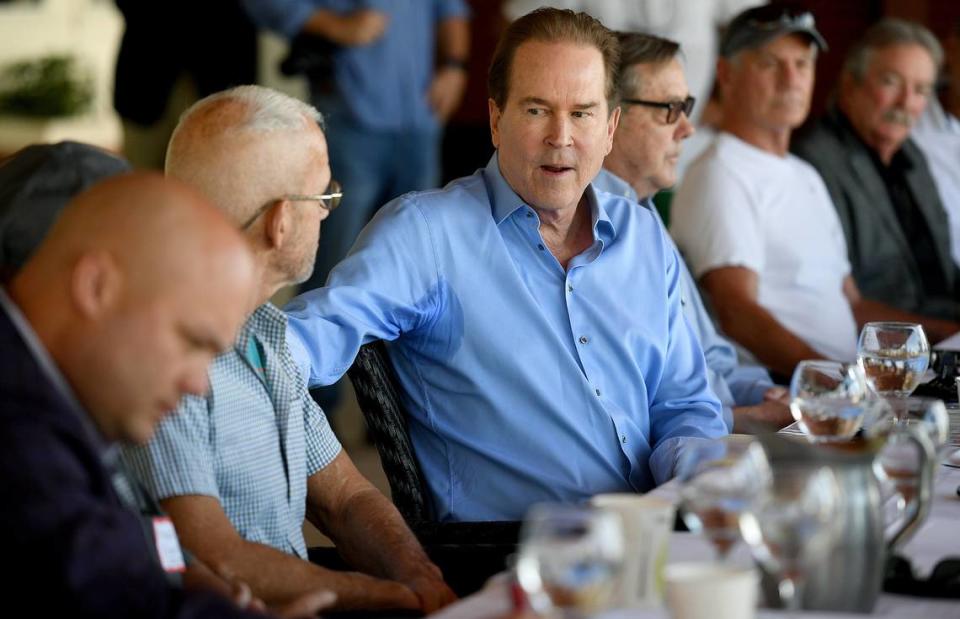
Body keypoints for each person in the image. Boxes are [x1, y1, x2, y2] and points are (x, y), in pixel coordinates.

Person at [284, 8, 728, 523]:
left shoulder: (643, 234)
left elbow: (685, 403)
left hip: (658, 539)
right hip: (515, 561)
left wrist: (695, 480)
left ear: (609, 129)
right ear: (496, 119)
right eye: (537, 110)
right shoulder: (428, 233)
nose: (560, 137)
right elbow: (304, 341)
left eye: (582, 113)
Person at [123, 85, 456, 613]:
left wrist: (422, 579)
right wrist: (390, 597)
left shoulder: (267, 336)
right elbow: (213, 556)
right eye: (326, 198)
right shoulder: (164, 359)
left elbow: (347, 498)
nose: (328, 214)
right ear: (280, 221)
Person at [0, 172, 275, 617]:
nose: (198, 384)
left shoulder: (46, 392)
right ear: (95, 287)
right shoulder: (17, 429)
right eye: (192, 341)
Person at [671, 7, 958, 379]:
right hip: (787, 392)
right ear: (726, 74)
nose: (791, 79)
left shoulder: (804, 173)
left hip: (848, 383)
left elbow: (851, 303)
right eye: (770, 64)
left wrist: (944, 333)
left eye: (802, 64)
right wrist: (838, 379)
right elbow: (737, 312)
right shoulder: (720, 171)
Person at [595, 32, 789, 431]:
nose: (688, 129)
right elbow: (633, 409)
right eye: (670, 109)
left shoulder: (645, 214)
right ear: (611, 118)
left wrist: (769, 394)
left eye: (687, 108)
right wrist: (745, 419)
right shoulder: (589, 230)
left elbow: (714, 359)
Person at [241, 0, 470, 292]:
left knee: (418, 263)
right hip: (350, 121)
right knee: (332, 266)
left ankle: (386, 339)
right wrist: (334, 25)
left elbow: (451, 9)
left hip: (420, 122)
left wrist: (455, 66)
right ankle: (319, 338)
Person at [792, 19, 960, 327]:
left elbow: (943, 269)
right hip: (884, 345)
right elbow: (842, 300)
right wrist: (947, 333)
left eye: (921, 90)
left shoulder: (912, 155)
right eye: (891, 82)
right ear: (850, 83)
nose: (906, 103)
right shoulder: (814, 162)